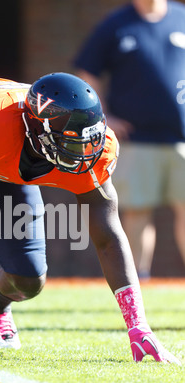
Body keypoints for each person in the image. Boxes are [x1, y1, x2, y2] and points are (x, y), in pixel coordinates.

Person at [0, 72, 180, 365]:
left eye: (89, 139)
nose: (83, 153)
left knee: (28, 277)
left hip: (6, 149)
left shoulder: (95, 150)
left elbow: (109, 236)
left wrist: (138, 326)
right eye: (70, 141)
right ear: (37, 131)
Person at [73, 0, 185, 279]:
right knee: (137, 212)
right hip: (136, 138)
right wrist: (104, 115)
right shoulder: (115, 24)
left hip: (181, 137)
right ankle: (138, 284)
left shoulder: (181, 18)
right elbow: (87, 72)